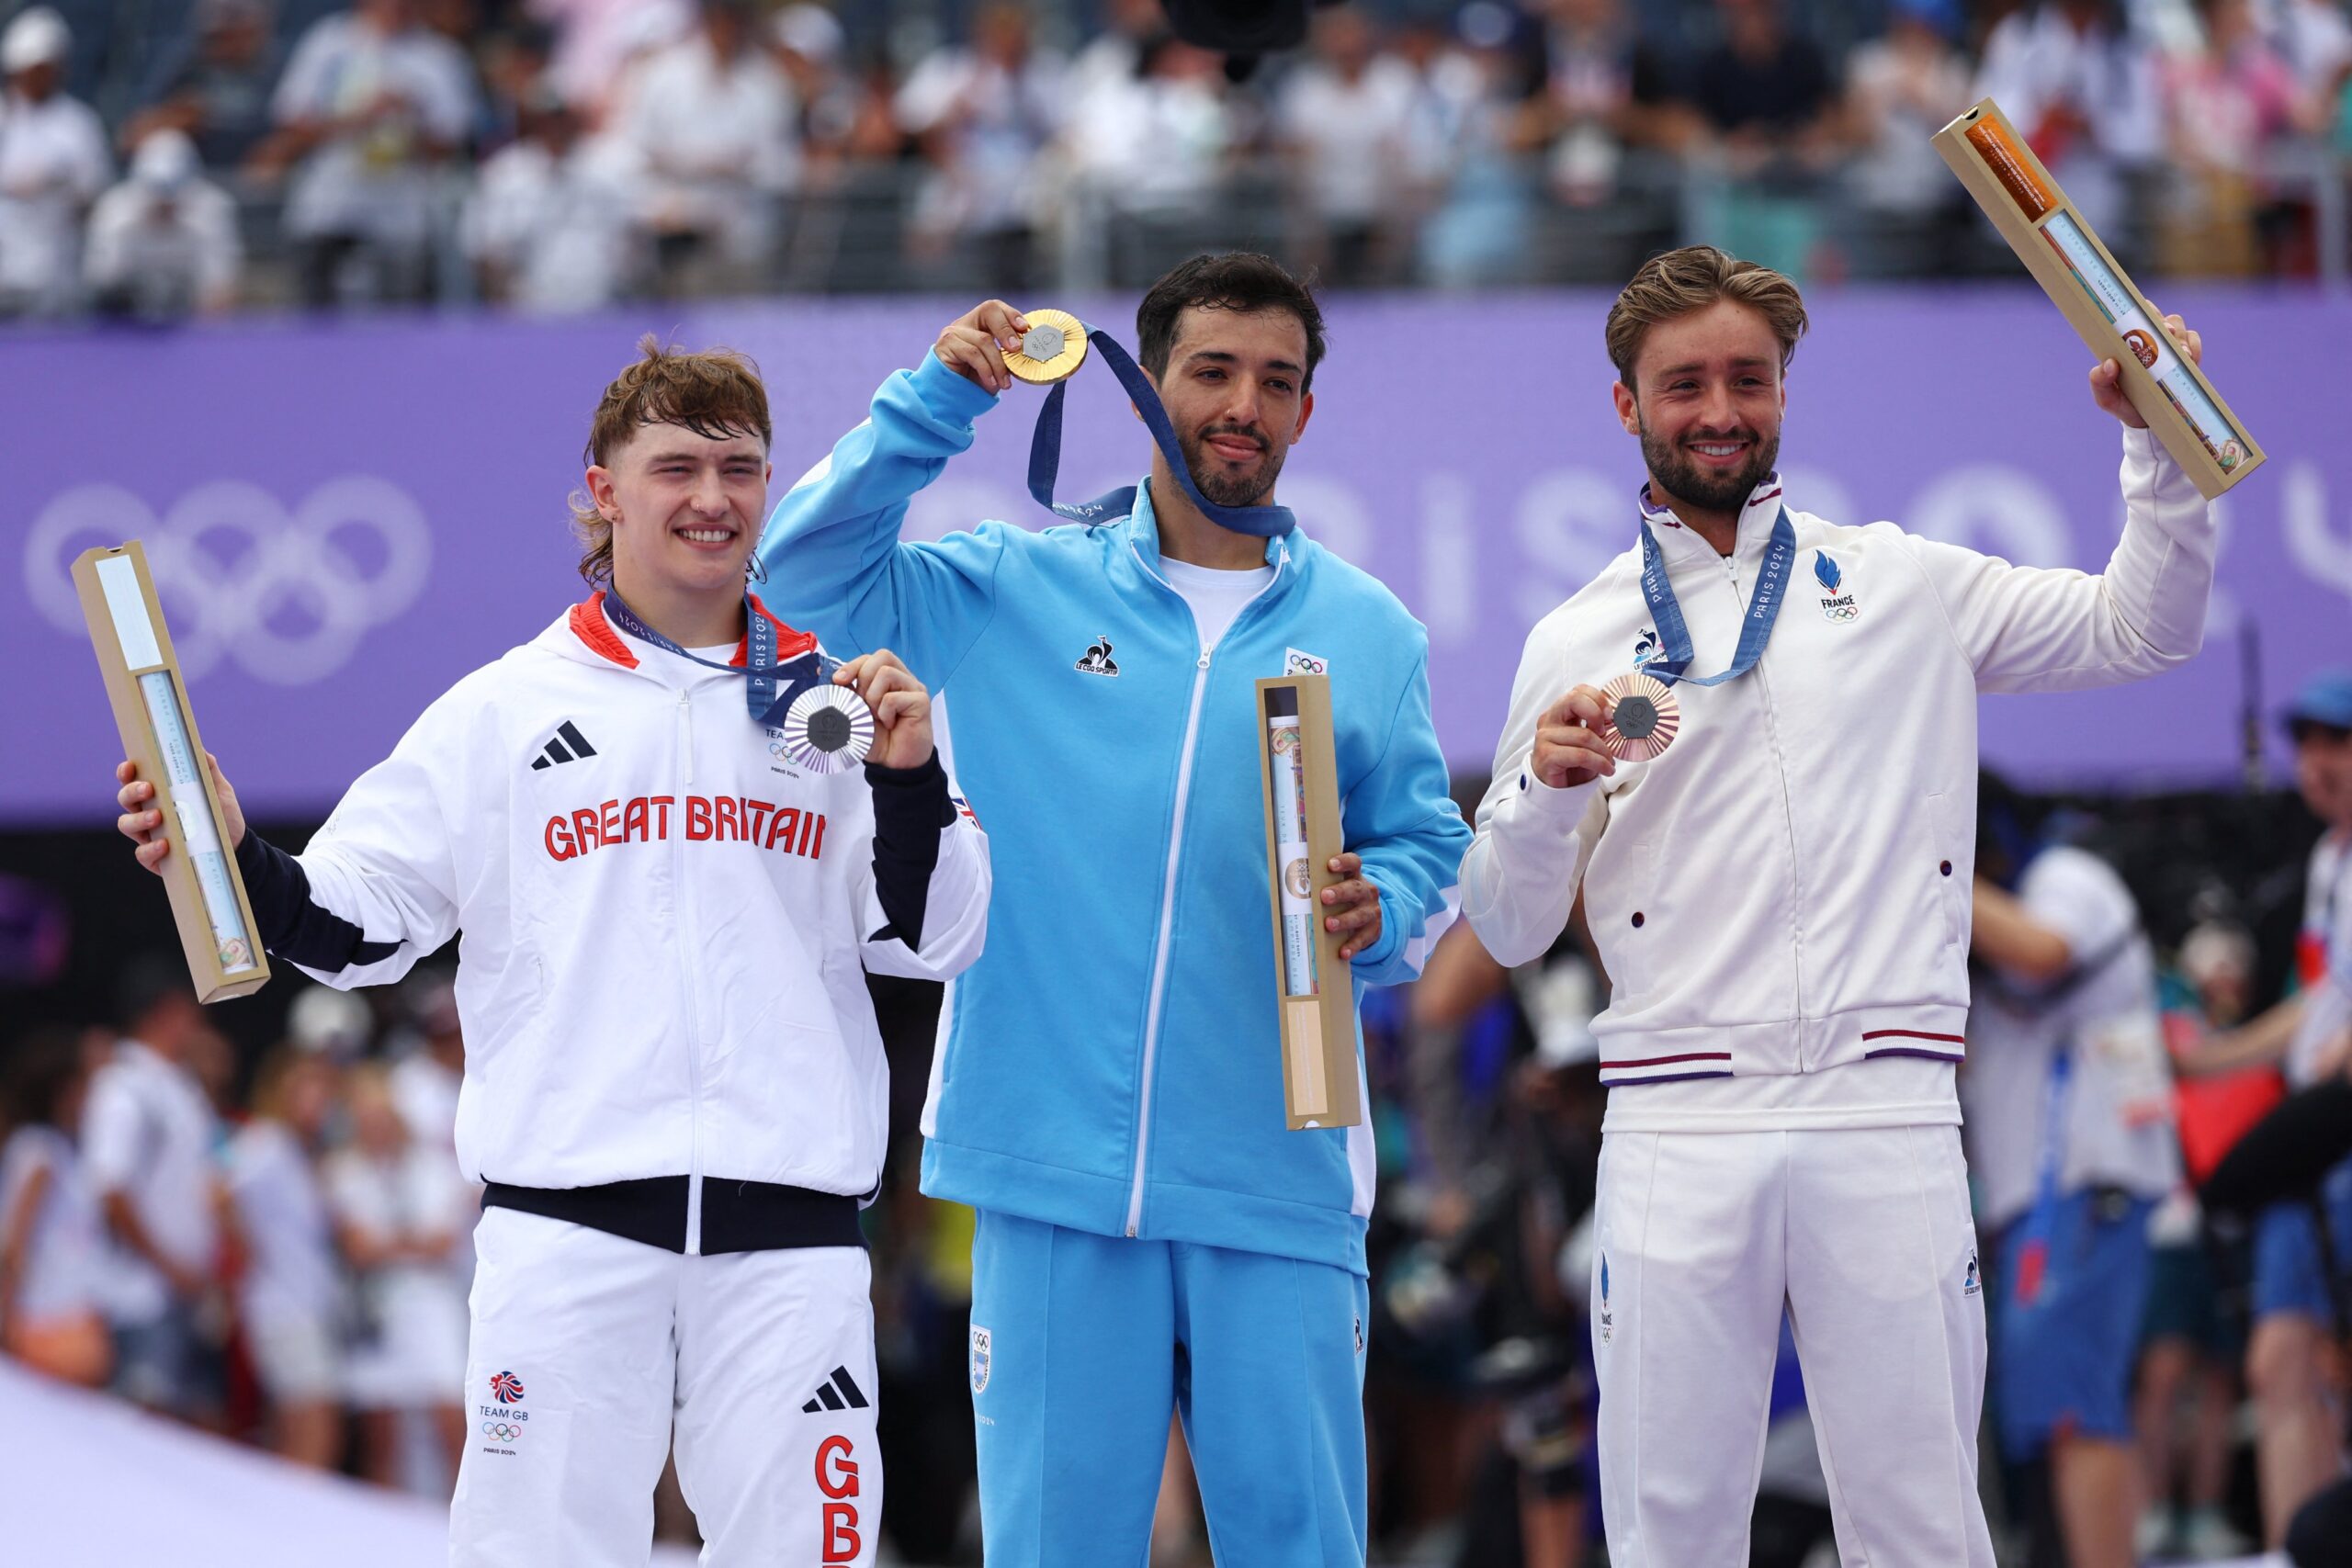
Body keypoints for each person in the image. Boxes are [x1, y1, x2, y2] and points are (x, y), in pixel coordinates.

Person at [113, 337, 990, 1565]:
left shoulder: (841, 705)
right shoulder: (504, 707)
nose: (711, 497)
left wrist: (907, 779)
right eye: (674, 465)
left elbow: (937, 933)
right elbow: (356, 923)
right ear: (602, 488)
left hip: (791, 1248)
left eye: (739, 468)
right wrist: (231, 848)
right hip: (568, 1239)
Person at [1461, 243, 2214, 1566]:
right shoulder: (1572, 639)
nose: (1719, 409)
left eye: (1748, 378)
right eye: (1683, 382)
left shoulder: (1905, 581)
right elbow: (1512, 925)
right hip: (1677, 1117)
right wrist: (1536, 790)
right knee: (1667, 1529)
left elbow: (2140, 630)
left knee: (1921, 1522)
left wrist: (2161, 451)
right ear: (1626, 404)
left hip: (1887, 1105)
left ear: (1786, 394)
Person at [759, 254, 1470, 1566]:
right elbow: (798, 576)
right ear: (1146, 388)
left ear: (1307, 411)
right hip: (1047, 1172)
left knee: (1299, 1547)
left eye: (1276, 380)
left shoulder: (1372, 632)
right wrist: (933, 401)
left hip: (1280, 1172)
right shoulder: (1021, 585)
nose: (1242, 403)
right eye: (1211, 370)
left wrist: (1395, 897)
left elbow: (1428, 838)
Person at [1965, 781, 2178, 1568]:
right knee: (2064, 1408)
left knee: (2073, 1408)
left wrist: (1926, 862)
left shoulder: (2067, 876)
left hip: (2086, 1182)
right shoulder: (1984, 908)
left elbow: (2043, 949)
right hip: (2035, 1197)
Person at [2175, 665, 2352, 1547]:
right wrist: (2210, 1059)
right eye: (2308, 743)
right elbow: (2316, 1006)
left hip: (2331, 1134)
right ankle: (2296, 1550)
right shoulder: (2327, 862)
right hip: (2317, 1139)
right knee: (2279, 1361)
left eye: (2338, 742)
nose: (2317, 762)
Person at [83, 965, 228, 1423]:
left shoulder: (184, 1088)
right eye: (190, 1015)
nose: (197, 1028)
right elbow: (111, 1190)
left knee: (195, 1428)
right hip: (142, 1294)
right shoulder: (121, 1087)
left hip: (190, 1291)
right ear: (164, 1015)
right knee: (146, 1432)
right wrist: (168, 1265)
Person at [225, 1043, 347, 1471]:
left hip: (306, 1307)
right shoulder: (264, 1142)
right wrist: (245, 1254)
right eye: (305, 1088)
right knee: (315, 1428)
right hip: (281, 1309)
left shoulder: (300, 1153)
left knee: (295, 1430)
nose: (317, 1100)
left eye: (323, 1090)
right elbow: (217, 1188)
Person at [0, 1027, 112, 1389]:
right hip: (47, 1317)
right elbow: (15, 1242)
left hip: (69, 1311)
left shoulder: (60, 1149)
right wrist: (8, 1317)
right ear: (63, 1091)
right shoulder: (41, 1151)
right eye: (83, 1086)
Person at [0, 6, 110, 317]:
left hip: (57, 258)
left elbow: (94, 189)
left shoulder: (78, 123)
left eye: (48, 67)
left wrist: (58, 184)